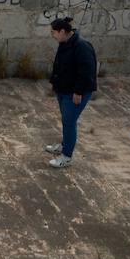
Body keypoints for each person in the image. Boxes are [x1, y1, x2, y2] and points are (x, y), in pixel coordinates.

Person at [44, 16, 97, 169]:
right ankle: (64, 145)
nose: (52, 35)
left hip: (75, 92)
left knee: (69, 122)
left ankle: (67, 156)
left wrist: (78, 92)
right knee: (66, 120)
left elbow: (87, 71)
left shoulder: (82, 46)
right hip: (63, 89)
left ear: (62, 31)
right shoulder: (65, 42)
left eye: (54, 32)